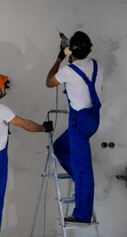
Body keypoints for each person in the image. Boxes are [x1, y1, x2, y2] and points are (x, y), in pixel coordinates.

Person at [0, 72, 53, 237]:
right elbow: (25, 124)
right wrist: (43, 128)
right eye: (2, 86)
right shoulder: (0, 110)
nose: (4, 87)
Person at [46, 31, 103, 224]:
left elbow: (49, 82)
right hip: (93, 118)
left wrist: (60, 58)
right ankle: (81, 182)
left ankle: (82, 215)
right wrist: (71, 55)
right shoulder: (96, 65)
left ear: (71, 51)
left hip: (79, 123)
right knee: (60, 147)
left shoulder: (68, 71)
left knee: (83, 169)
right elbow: (82, 72)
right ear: (90, 48)